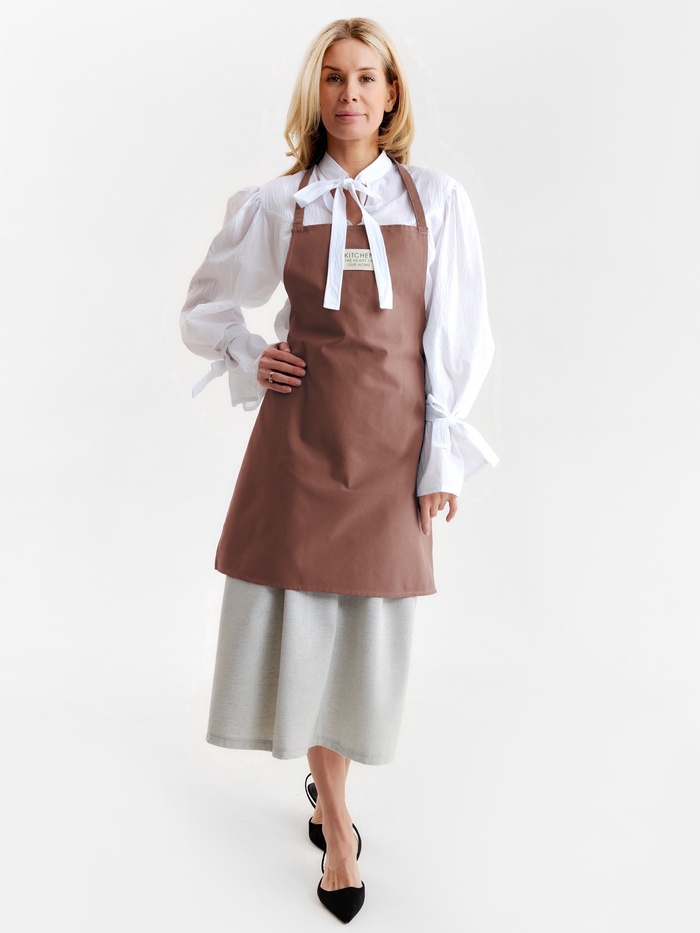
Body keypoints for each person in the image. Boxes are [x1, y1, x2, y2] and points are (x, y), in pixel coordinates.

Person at [180, 16, 498, 923]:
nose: (350, 93)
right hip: (302, 441)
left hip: (394, 449)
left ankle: (331, 793)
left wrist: (443, 453)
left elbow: (460, 335)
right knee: (311, 625)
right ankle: (340, 825)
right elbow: (205, 307)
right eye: (333, 78)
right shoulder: (280, 204)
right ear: (315, 95)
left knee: (363, 635)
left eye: (366, 77)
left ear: (391, 94)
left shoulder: (436, 201)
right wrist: (252, 352)